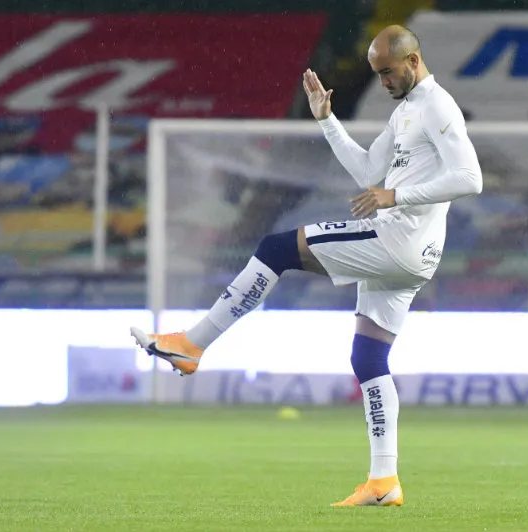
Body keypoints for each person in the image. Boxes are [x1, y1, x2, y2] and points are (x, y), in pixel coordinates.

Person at [130, 24, 482, 507]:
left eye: (388, 72)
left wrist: (394, 195)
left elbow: (470, 177)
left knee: (277, 248)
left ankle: (192, 344)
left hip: (398, 236)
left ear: (414, 61)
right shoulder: (407, 111)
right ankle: (384, 482)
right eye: (376, 74)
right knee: (368, 359)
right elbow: (365, 170)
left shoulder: (437, 105)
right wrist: (326, 119)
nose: (382, 81)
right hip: (415, 257)